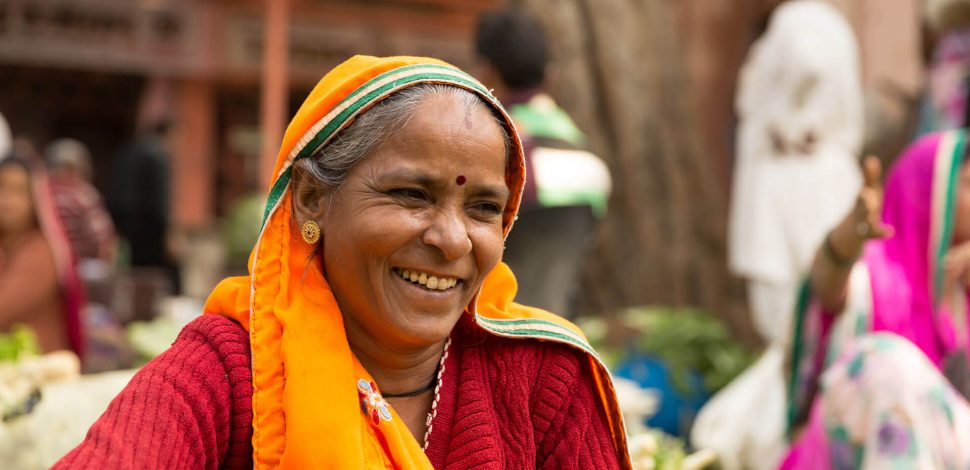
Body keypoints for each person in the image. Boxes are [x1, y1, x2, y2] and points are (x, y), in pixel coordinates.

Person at [56, 56, 631, 469]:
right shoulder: (231, 372)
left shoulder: (545, 381)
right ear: (311, 198)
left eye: (484, 207)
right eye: (411, 194)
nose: (454, 240)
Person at [692, 3, 863, 468]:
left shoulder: (799, 21)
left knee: (794, 330)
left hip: (792, 182)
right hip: (820, 178)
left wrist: (793, 121)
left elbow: (809, 63)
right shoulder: (830, 21)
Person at [782, 129, 970, 467]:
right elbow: (826, 288)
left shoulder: (962, 296)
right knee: (882, 361)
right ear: (928, 192)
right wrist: (844, 241)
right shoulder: (877, 279)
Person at [474, 9, 611, 318]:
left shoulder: (492, 144)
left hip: (490, 325)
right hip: (555, 327)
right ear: (549, 74)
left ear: (487, 71)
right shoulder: (585, 155)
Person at [0, 148, 84, 357]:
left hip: (38, 368)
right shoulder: (8, 245)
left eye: (19, 191)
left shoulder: (41, 251)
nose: (7, 200)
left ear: (36, 200)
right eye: (2, 188)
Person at [109, 118, 179, 293]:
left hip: (128, 224)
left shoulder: (130, 150)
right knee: (156, 275)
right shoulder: (157, 155)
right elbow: (160, 198)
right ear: (169, 132)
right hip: (151, 226)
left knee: (135, 272)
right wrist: (168, 232)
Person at [45, 138, 116, 263]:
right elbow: (102, 240)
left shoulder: (42, 192)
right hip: (80, 266)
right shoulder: (83, 194)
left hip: (50, 263)